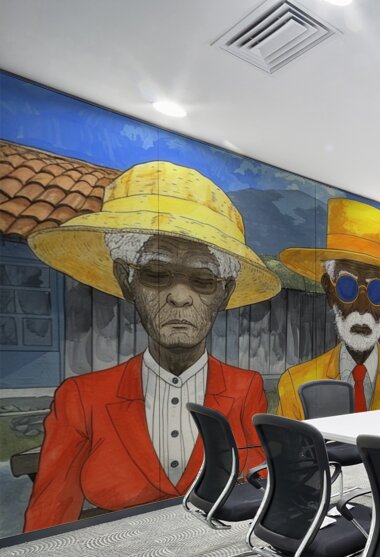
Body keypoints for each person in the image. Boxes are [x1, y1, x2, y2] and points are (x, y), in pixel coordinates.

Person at [23, 161, 281, 532]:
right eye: (157, 274)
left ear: (224, 294)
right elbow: (48, 520)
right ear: (126, 280)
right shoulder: (81, 398)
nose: (180, 297)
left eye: (203, 280)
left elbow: (260, 485)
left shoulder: (245, 388)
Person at [275, 198, 380, 419]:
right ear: (329, 290)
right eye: (347, 286)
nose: (362, 308)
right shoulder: (296, 384)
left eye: (376, 291)